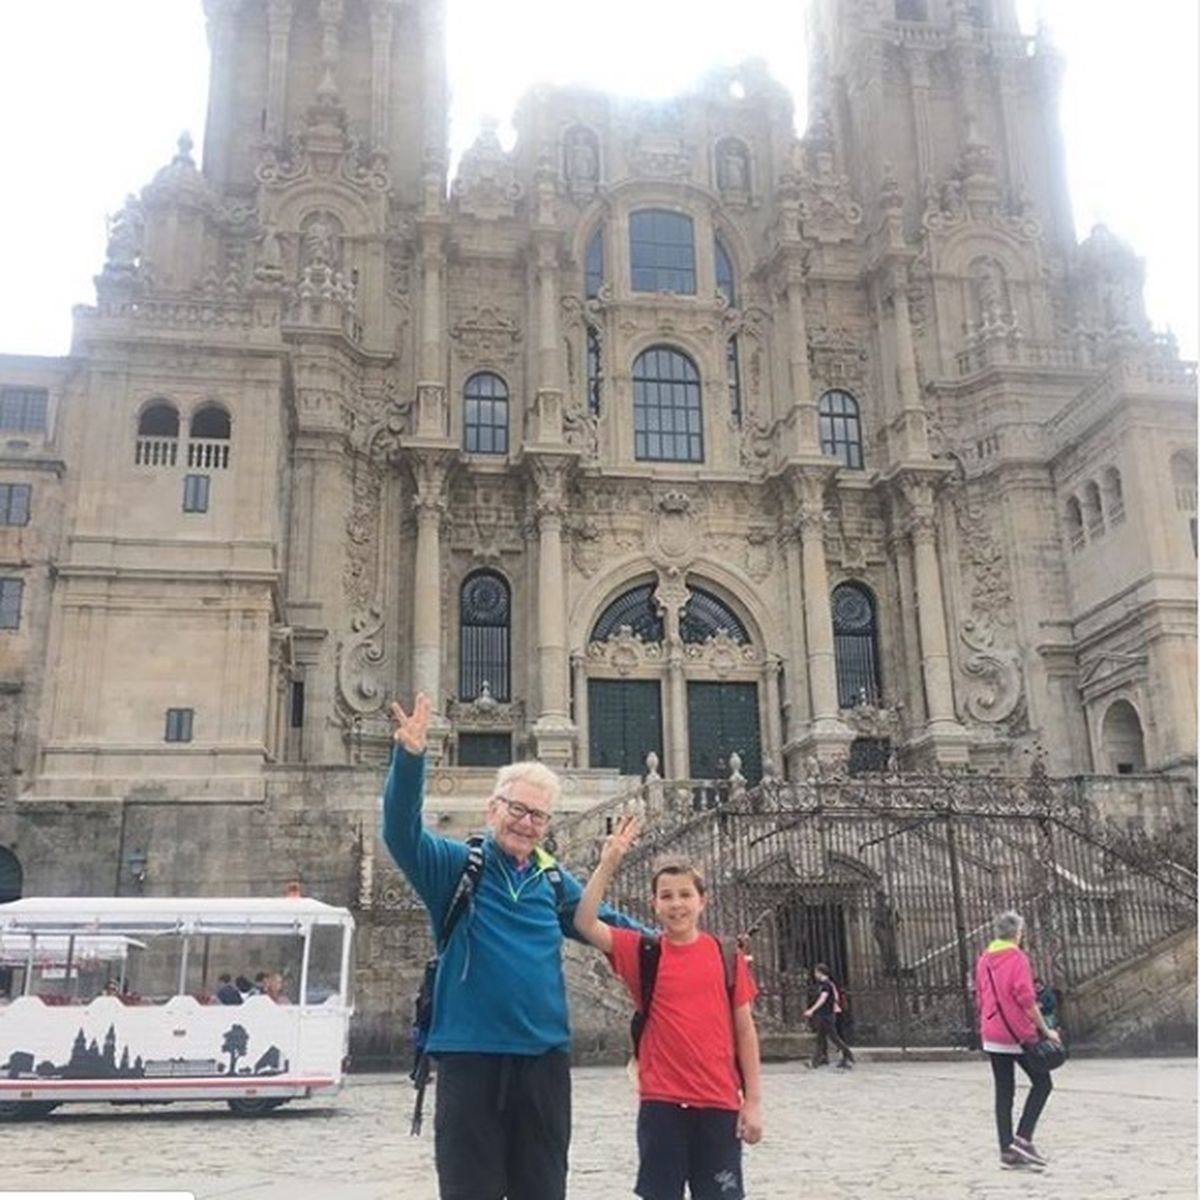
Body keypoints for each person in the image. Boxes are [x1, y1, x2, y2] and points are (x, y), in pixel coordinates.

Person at [383, 692, 643, 1200]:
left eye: (539, 816)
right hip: (469, 1059)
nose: (527, 823)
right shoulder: (456, 867)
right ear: (492, 809)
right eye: (518, 809)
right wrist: (410, 759)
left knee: (543, 1190)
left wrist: (685, 946)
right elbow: (401, 835)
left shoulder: (553, 879)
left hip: (543, 1062)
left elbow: (610, 926)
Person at [574, 817, 764, 1200]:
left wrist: (754, 1102)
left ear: (702, 900)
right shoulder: (643, 952)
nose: (676, 904)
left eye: (685, 894)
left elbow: (745, 1030)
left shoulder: (726, 955)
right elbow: (585, 922)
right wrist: (609, 862)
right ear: (654, 904)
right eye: (666, 896)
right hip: (662, 1104)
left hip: (719, 1101)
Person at [976, 910, 1062, 1170]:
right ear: (1018, 933)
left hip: (992, 1031)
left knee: (1004, 1091)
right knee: (1043, 1083)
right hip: (1016, 1033)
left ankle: (1007, 1150)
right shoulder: (1017, 958)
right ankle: (1023, 1138)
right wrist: (1046, 1030)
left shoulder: (984, 959)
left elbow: (980, 995)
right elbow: (1026, 998)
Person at [804, 963, 854, 1069]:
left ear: (820, 972)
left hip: (826, 1015)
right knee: (820, 1039)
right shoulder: (827, 984)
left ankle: (849, 1055)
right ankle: (815, 1062)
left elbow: (823, 999)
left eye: (816, 972)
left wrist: (812, 1010)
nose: (815, 974)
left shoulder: (826, 985)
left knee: (834, 1038)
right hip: (825, 1014)